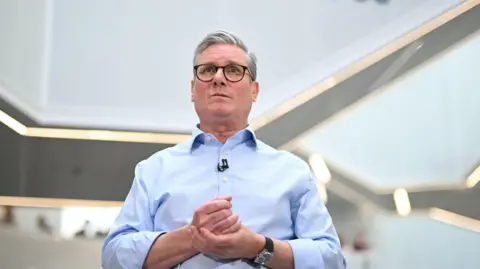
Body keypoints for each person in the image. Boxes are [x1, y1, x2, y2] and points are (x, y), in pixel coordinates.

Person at [101, 30, 346, 269]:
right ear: (193, 89)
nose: (219, 78)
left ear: (254, 91)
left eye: (233, 70)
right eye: (207, 70)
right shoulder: (154, 170)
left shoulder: (292, 171)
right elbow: (113, 257)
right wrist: (192, 237)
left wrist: (257, 247)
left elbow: (332, 260)